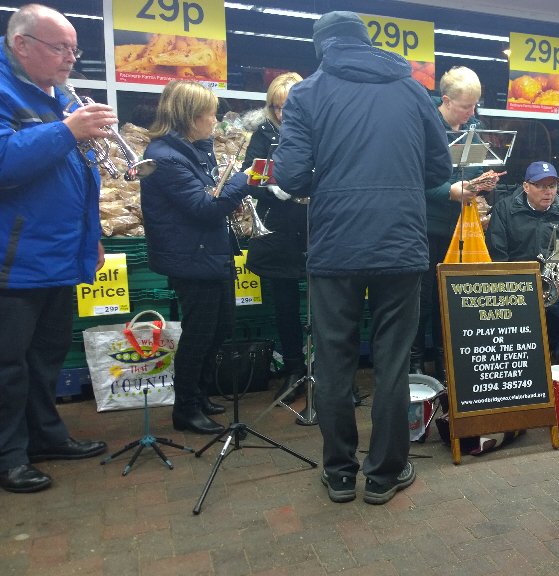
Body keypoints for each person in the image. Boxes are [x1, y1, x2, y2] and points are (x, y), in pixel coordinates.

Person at [273, 12, 450, 505]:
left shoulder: (307, 94)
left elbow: (290, 177)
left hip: (335, 246)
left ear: (321, 48)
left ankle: (339, 472)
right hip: (400, 242)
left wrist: (329, 179)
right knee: (392, 361)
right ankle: (385, 474)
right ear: (365, 42)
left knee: (334, 362)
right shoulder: (413, 90)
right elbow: (439, 168)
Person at [0, 4, 110, 494]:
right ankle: (9, 456)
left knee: (46, 357)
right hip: (14, 260)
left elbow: (76, 172)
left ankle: (45, 436)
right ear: (22, 44)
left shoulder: (58, 94)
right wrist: (67, 131)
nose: (70, 58)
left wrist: (92, 234)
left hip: (58, 253)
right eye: (60, 47)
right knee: (8, 366)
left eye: (74, 49)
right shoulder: (6, 91)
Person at [140, 80, 250, 435]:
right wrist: (244, 180)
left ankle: (200, 394)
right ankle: (185, 408)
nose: (215, 121)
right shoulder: (165, 158)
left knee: (221, 328)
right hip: (191, 257)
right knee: (199, 333)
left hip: (210, 253)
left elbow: (210, 193)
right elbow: (204, 207)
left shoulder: (192, 150)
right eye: (210, 114)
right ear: (190, 117)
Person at [413, 66, 502, 382]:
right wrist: (449, 191)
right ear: (446, 100)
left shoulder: (474, 127)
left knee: (450, 300)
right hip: (427, 227)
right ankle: (415, 365)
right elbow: (413, 181)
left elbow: (472, 170)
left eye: (475, 105)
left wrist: (482, 182)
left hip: (461, 227)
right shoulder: (425, 127)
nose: (472, 113)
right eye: (466, 106)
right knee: (422, 300)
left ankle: (446, 363)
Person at [485, 161, 559, 362]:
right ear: (526, 186)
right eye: (541, 186)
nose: (548, 192)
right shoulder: (505, 209)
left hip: (555, 288)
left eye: (552, 186)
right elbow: (497, 256)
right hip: (517, 289)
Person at [240, 71, 309, 404]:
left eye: (288, 107)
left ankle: (328, 369)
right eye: (277, 107)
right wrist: (272, 188)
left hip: (314, 227)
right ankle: (294, 368)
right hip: (279, 230)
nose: (282, 114)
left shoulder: (317, 132)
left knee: (326, 303)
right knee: (285, 304)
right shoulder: (264, 133)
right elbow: (249, 176)